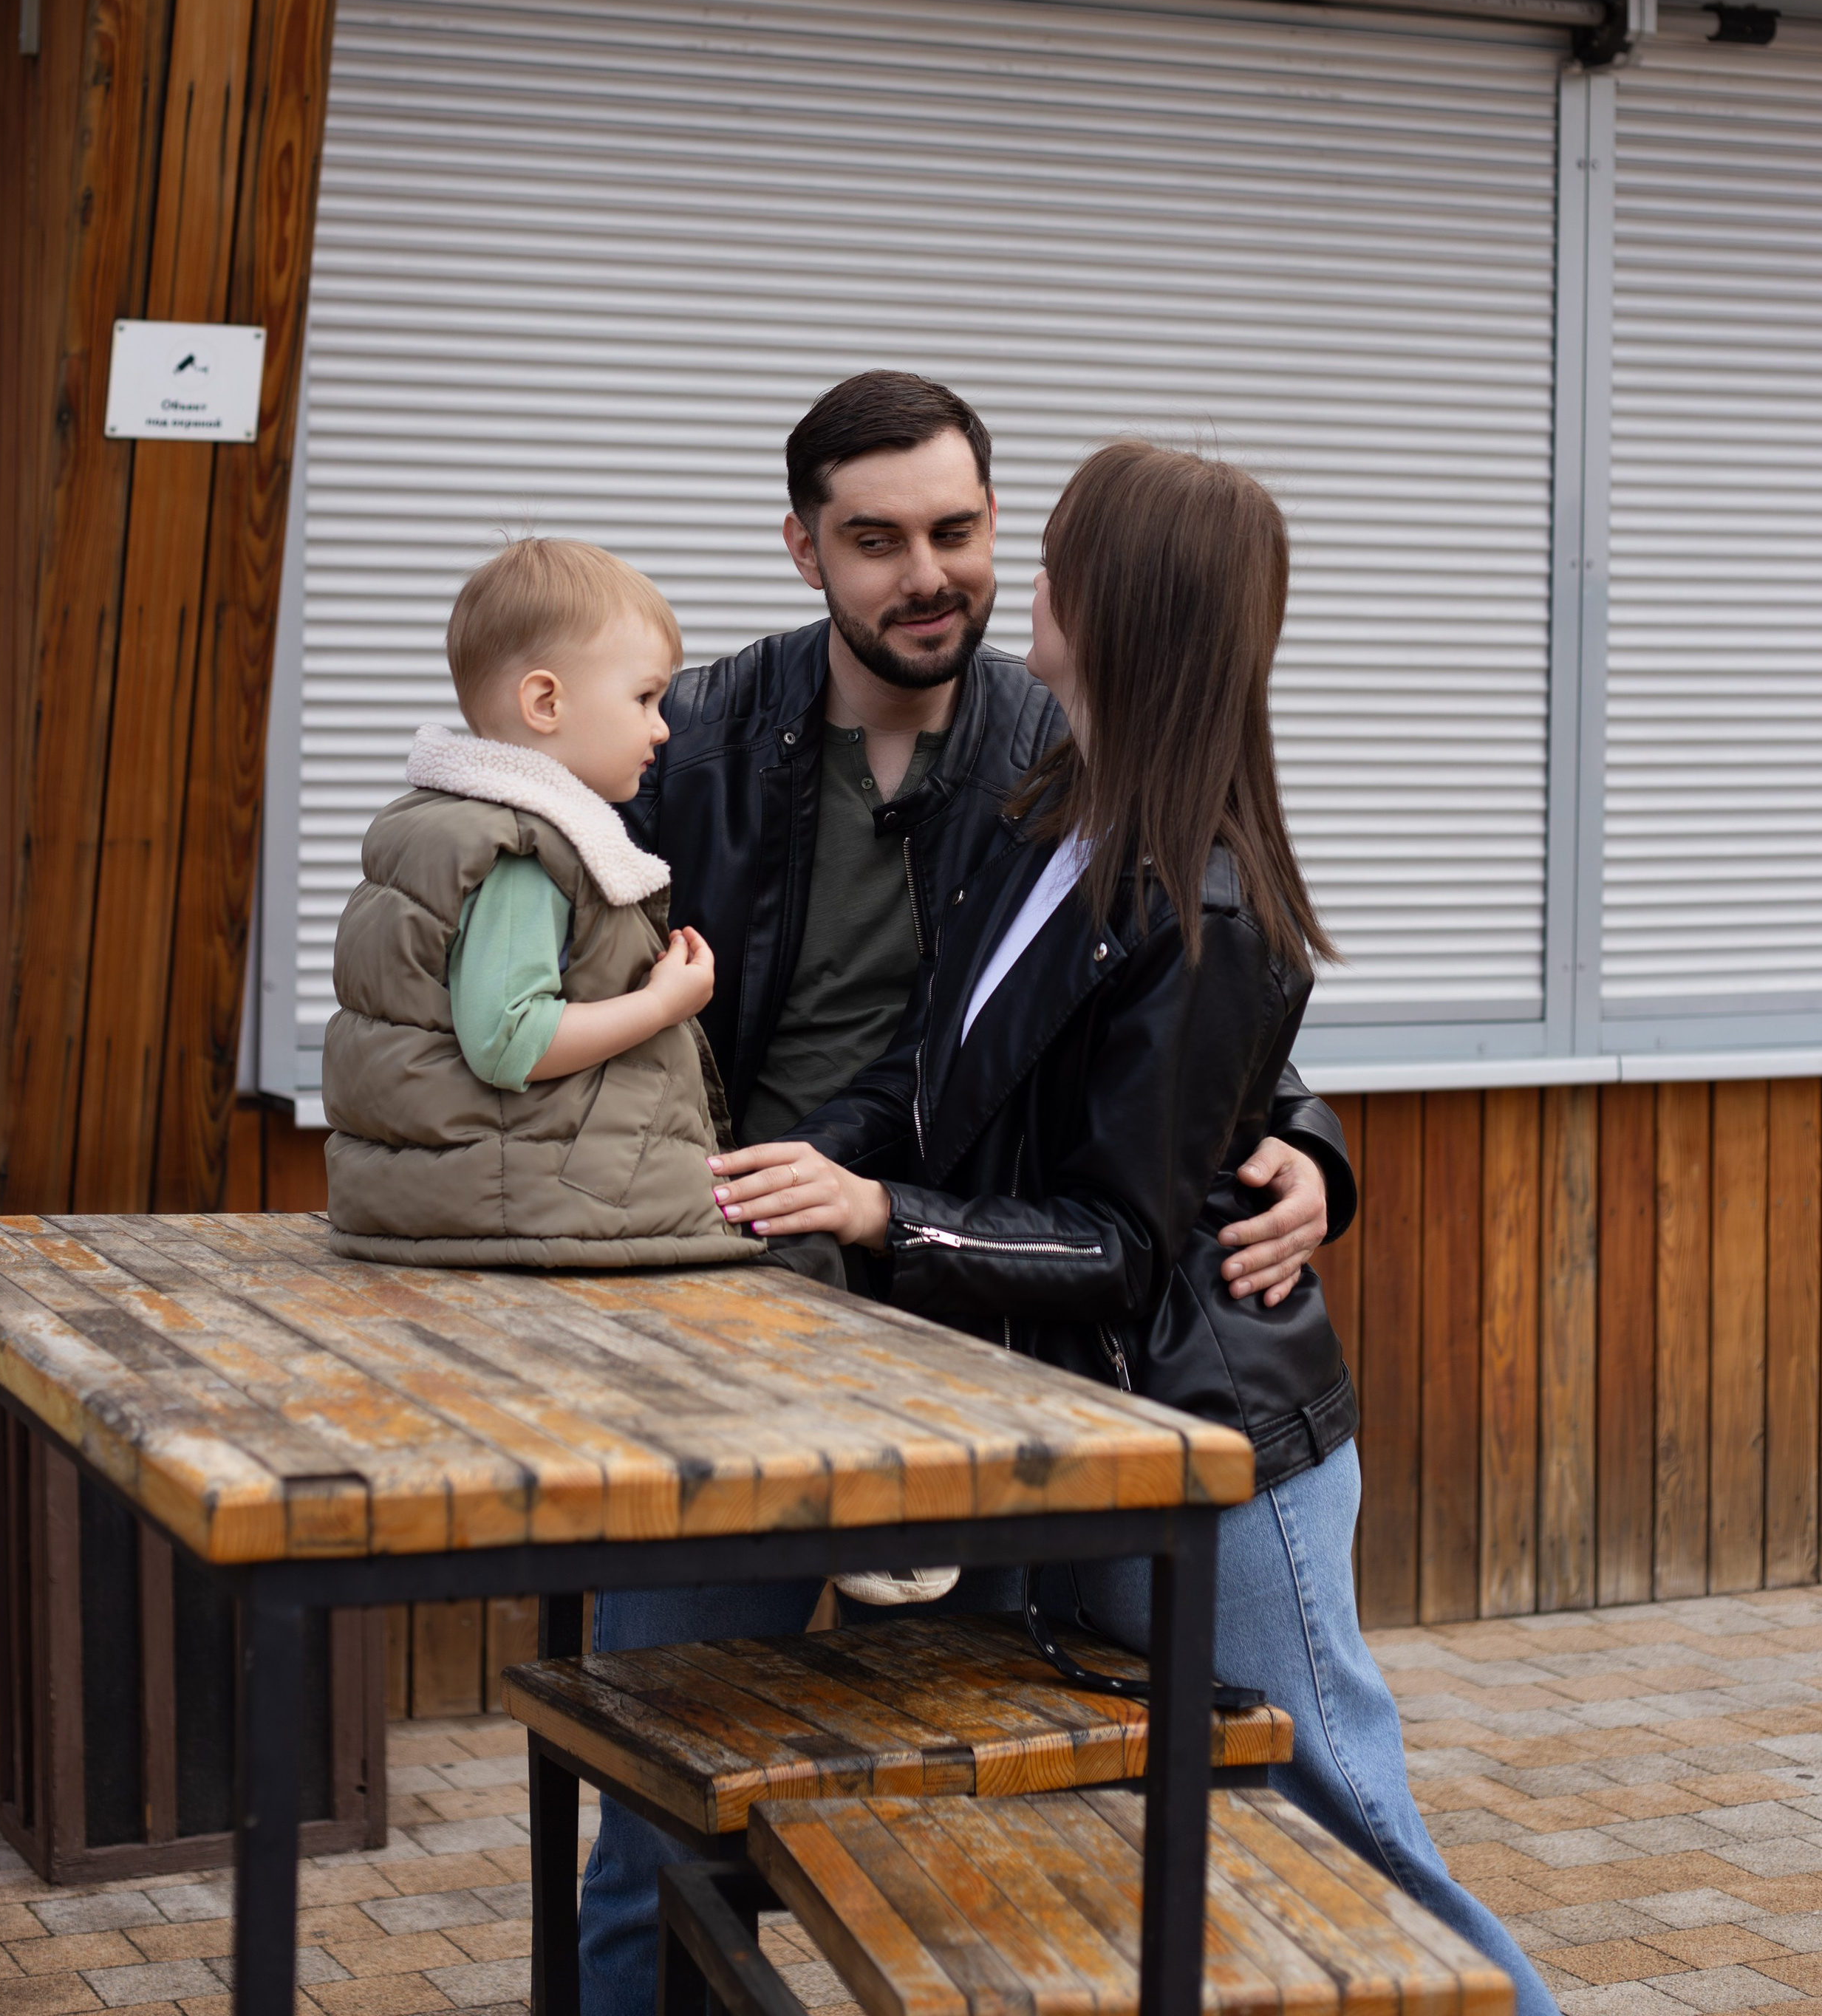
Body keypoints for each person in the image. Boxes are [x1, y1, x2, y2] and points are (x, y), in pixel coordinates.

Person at [713, 440, 1561, 2016]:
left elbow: (1118, 1238)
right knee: (1146, 1863)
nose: (1014, 581)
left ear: (1113, 606)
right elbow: (923, 1085)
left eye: (1048, 557)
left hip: (1218, 1462)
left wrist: (884, 1216)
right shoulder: (1037, 819)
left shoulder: (1206, 909)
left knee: (1346, 1830)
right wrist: (774, 1175)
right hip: (1082, 1445)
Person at [576, 375, 1354, 2013]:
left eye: (961, 532)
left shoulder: (1050, 744)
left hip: (979, 1354)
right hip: (717, 1342)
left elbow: (1182, 1012)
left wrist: (1315, 1145)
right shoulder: (686, 737)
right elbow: (528, 972)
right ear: (802, 549)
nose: (926, 573)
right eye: (874, 540)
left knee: (965, 1835)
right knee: (653, 1822)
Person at [321, 536, 749, 1270]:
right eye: (645, 697)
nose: (662, 727)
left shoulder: (458, 825)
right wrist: (661, 1004)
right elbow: (509, 1041)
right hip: (534, 1218)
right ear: (545, 702)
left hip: (492, 1205)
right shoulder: (519, 852)